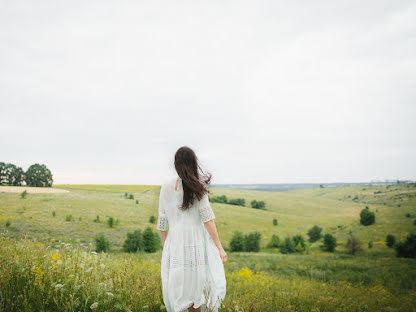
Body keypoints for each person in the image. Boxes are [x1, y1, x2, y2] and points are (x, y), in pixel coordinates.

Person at [157, 146, 227, 312]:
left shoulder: (165, 188)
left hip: (175, 244)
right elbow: (208, 220)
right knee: (196, 289)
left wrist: (167, 246)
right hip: (195, 243)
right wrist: (220, 247)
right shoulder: (198, 187)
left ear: (176, 164)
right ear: (194, 163)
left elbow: (162, 222)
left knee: (179, 289)